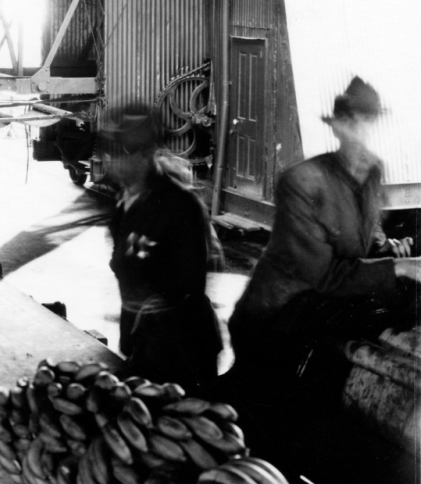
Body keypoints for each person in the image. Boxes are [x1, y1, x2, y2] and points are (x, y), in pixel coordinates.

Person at [228, 77, 419, 392]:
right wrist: (398, 267)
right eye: (353, 123)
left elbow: (367, 232)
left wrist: (390, 248)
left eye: (370, 122)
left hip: (323, 308)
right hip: (274, 316)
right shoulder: (302, 181)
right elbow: (321, 275)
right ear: (337, 127)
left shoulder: (373, 171)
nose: (363, 132)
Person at [101, 102, 222, 393]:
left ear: (145, 155)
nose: (111, 161)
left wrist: (146, 341)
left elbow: (188, 286)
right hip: (142, 342)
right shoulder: (124, 200)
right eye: (108, 152)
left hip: (181, 351)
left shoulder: (179, 206)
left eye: (120, 153)